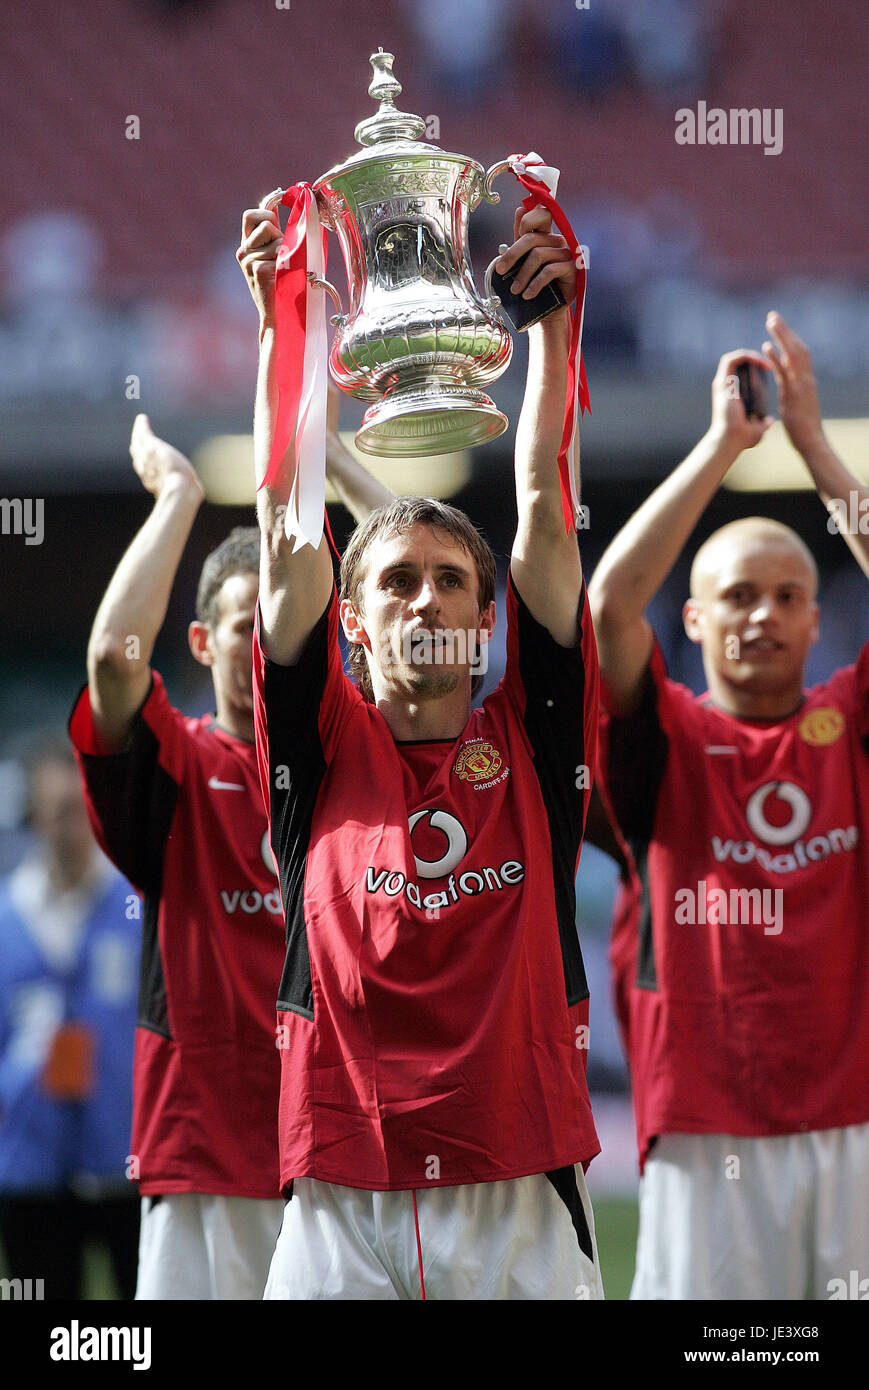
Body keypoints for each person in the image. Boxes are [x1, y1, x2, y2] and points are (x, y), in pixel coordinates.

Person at [236, 195, 603, 1301]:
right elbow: (289, 524)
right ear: (351, 622)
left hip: (519, 1182)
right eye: (394, 580)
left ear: (489, 619)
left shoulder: (534, 742)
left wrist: (554, 329)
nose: (424, 596)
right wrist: (282, 320)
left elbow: (541, 496)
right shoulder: (315, 742)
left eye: (451, 578)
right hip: (340, 1190)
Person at [68, 407, 390, 1301]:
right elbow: (110, 656)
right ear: (204, 642)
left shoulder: (351, 761)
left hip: (347, 1146)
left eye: (285, 627)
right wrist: (178, 496)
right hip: (211, 1149)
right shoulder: (179, 764)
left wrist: (338, 471)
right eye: (246, 627)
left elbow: (422, 589)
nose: (267, 648)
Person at [589, 311, 869, 1299]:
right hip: (705, 1124)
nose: (761, 613)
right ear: (694, 618)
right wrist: (720, 447)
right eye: (736, 596)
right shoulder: (663, 732)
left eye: (786, 594)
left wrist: (813, 446)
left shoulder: (848, 724)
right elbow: (607, 607)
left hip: (854, 1117)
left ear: (817, 615)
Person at [0, 737, 139, 1300]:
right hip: (29, 1166)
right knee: (38, 1303)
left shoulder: (134, 907)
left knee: (136, 1327)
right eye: (58, 813)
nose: (71, 827)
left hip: (121, 1162)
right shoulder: (9, 919)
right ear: (33, 817)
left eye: (81, 811)